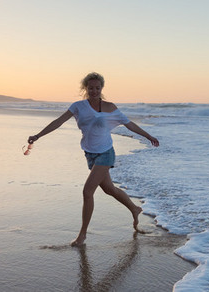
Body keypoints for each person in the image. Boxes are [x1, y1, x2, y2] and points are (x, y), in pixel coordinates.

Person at [28, 72, 160, 246]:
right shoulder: (78, 106)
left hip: (106, 152)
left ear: (101, 88)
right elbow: (58, 121)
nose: (94, 91)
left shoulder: (111, 107)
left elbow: (130, 124)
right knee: (110, 190)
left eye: (97, 88)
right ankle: (134, 209)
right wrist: (38, 136)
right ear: (86, 88)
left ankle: (82, 235)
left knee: (87, 191)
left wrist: (148, 135)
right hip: (90, 153)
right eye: (91, 88)